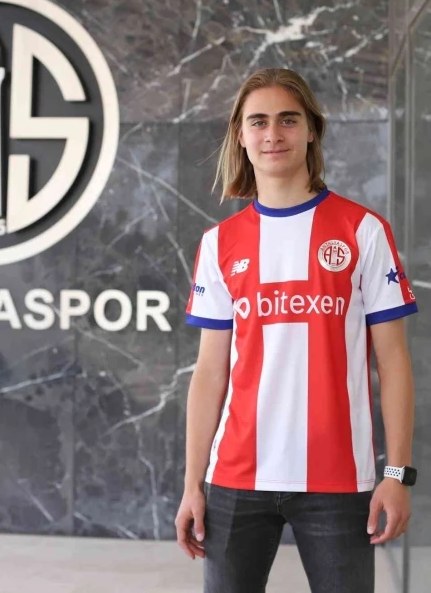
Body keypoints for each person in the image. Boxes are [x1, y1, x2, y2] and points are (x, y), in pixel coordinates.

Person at [175, 68, 418, 593]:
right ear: (241, 135)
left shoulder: (362, 230)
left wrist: (397, 474)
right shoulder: (220, 243)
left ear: (312, 130)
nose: (273, 134)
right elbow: (209, 373)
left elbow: (394, 362)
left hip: (339, 481)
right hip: (235, 479)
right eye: (258, 121)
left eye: (288, 119)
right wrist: (193, 484)